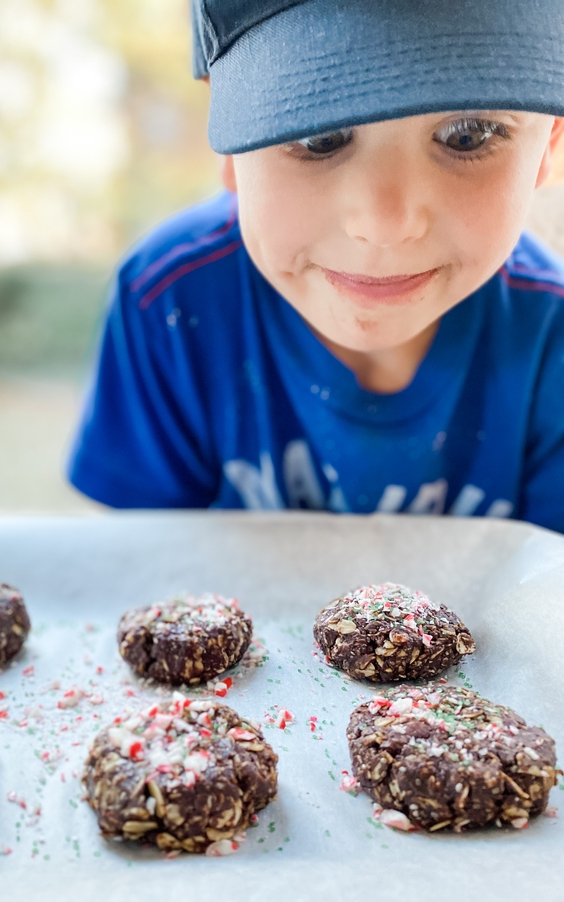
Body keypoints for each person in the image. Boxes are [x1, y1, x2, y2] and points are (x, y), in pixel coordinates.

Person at [67, 0, 564, 531]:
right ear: (226, 136)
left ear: (550, 144)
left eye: (467, 134)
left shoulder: (551, 339)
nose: (384, 224)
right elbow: (146, 577)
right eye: (318, 136)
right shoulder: (168, 301)